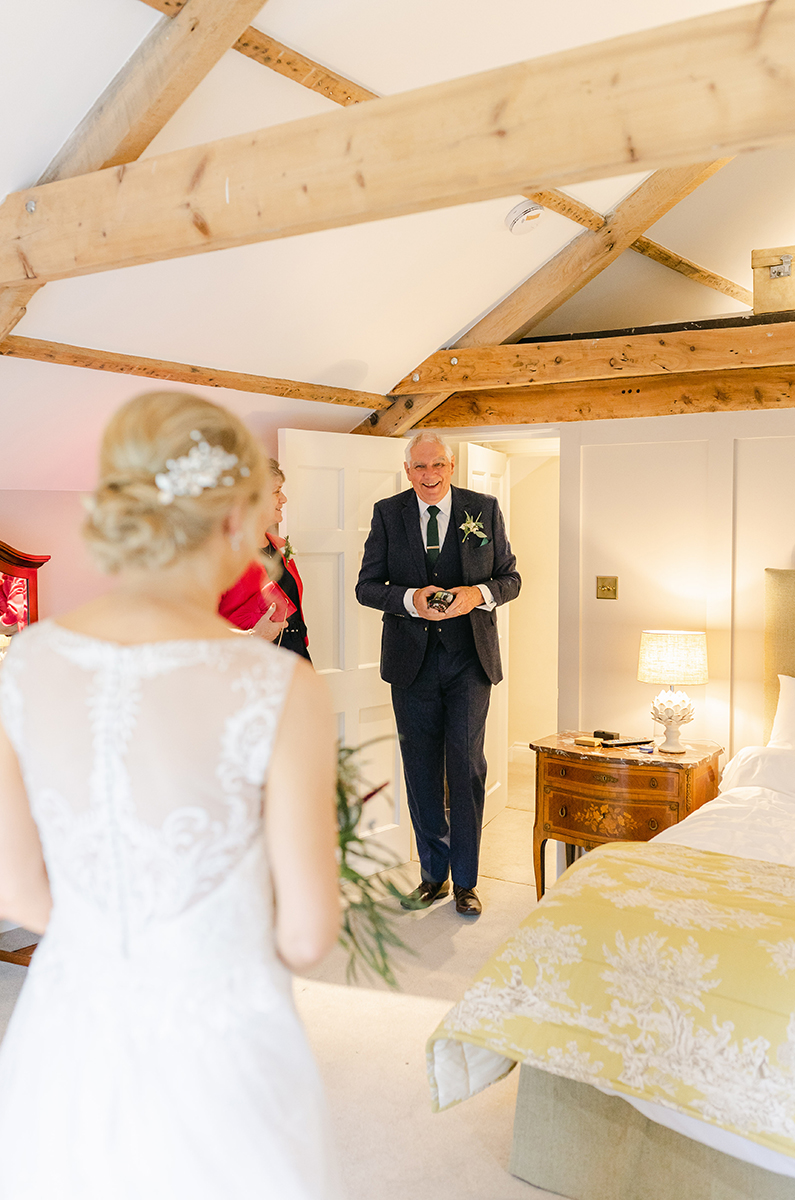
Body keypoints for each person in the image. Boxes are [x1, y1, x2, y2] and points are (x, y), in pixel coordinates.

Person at [0, 391, 342, 1200]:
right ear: (232, 518)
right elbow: (306, 936)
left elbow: (17, 889)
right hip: (221, 1039)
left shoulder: (24, 662)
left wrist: (113, 935)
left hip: (69, 1022)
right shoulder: (276, 686)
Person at [356, 432, 521, 917]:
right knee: (421, 768)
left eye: (438, 466)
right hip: (412, 664)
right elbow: (367, 586)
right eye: (419, 468)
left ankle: (467, 880)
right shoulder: (389, 513)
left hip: (470, 660)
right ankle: (434, 875)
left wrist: (478, 595)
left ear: (452, 467)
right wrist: (410, 601)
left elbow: (511, 578)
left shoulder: (483, 508)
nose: (429, 476)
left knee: (467, 767)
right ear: (407, 471)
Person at [219, 459, 311, 660]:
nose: (284, 499)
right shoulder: (224, 554)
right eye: (277, 491)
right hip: (249, 662)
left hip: (294, 654)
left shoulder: (279, 546)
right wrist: (253, 636)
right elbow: (196, 625)